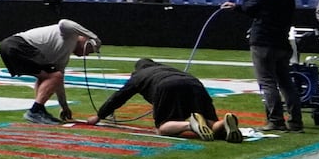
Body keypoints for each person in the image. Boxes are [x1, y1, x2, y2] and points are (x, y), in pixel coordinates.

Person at [83, 56, 246, 141]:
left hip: (166, 87)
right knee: (209, 122)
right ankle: (224, 124)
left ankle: (190, 124)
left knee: (162, 128)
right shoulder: (164, 68)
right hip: (194, 83)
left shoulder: (138, 76)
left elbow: (118, 97)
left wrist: (99, 116)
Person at [0, 19, 101, 122]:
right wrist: (94, 37)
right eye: (89, 51)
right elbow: (64, 22)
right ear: (85, 41)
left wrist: (64, 107)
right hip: (18, 45)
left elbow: (57, 83)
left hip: (10, 47)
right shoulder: (70, 35)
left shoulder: (62, 57)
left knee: (48, 77)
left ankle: (38, 109)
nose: (86, 54)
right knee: (54, 75)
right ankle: (35, 110)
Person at [245, 0, 302, 130]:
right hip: (282, 43)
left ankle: (276, 120)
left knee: (268, 82)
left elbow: (248, 9)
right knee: (286, 83)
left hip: (263, 42)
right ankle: (296, 121)